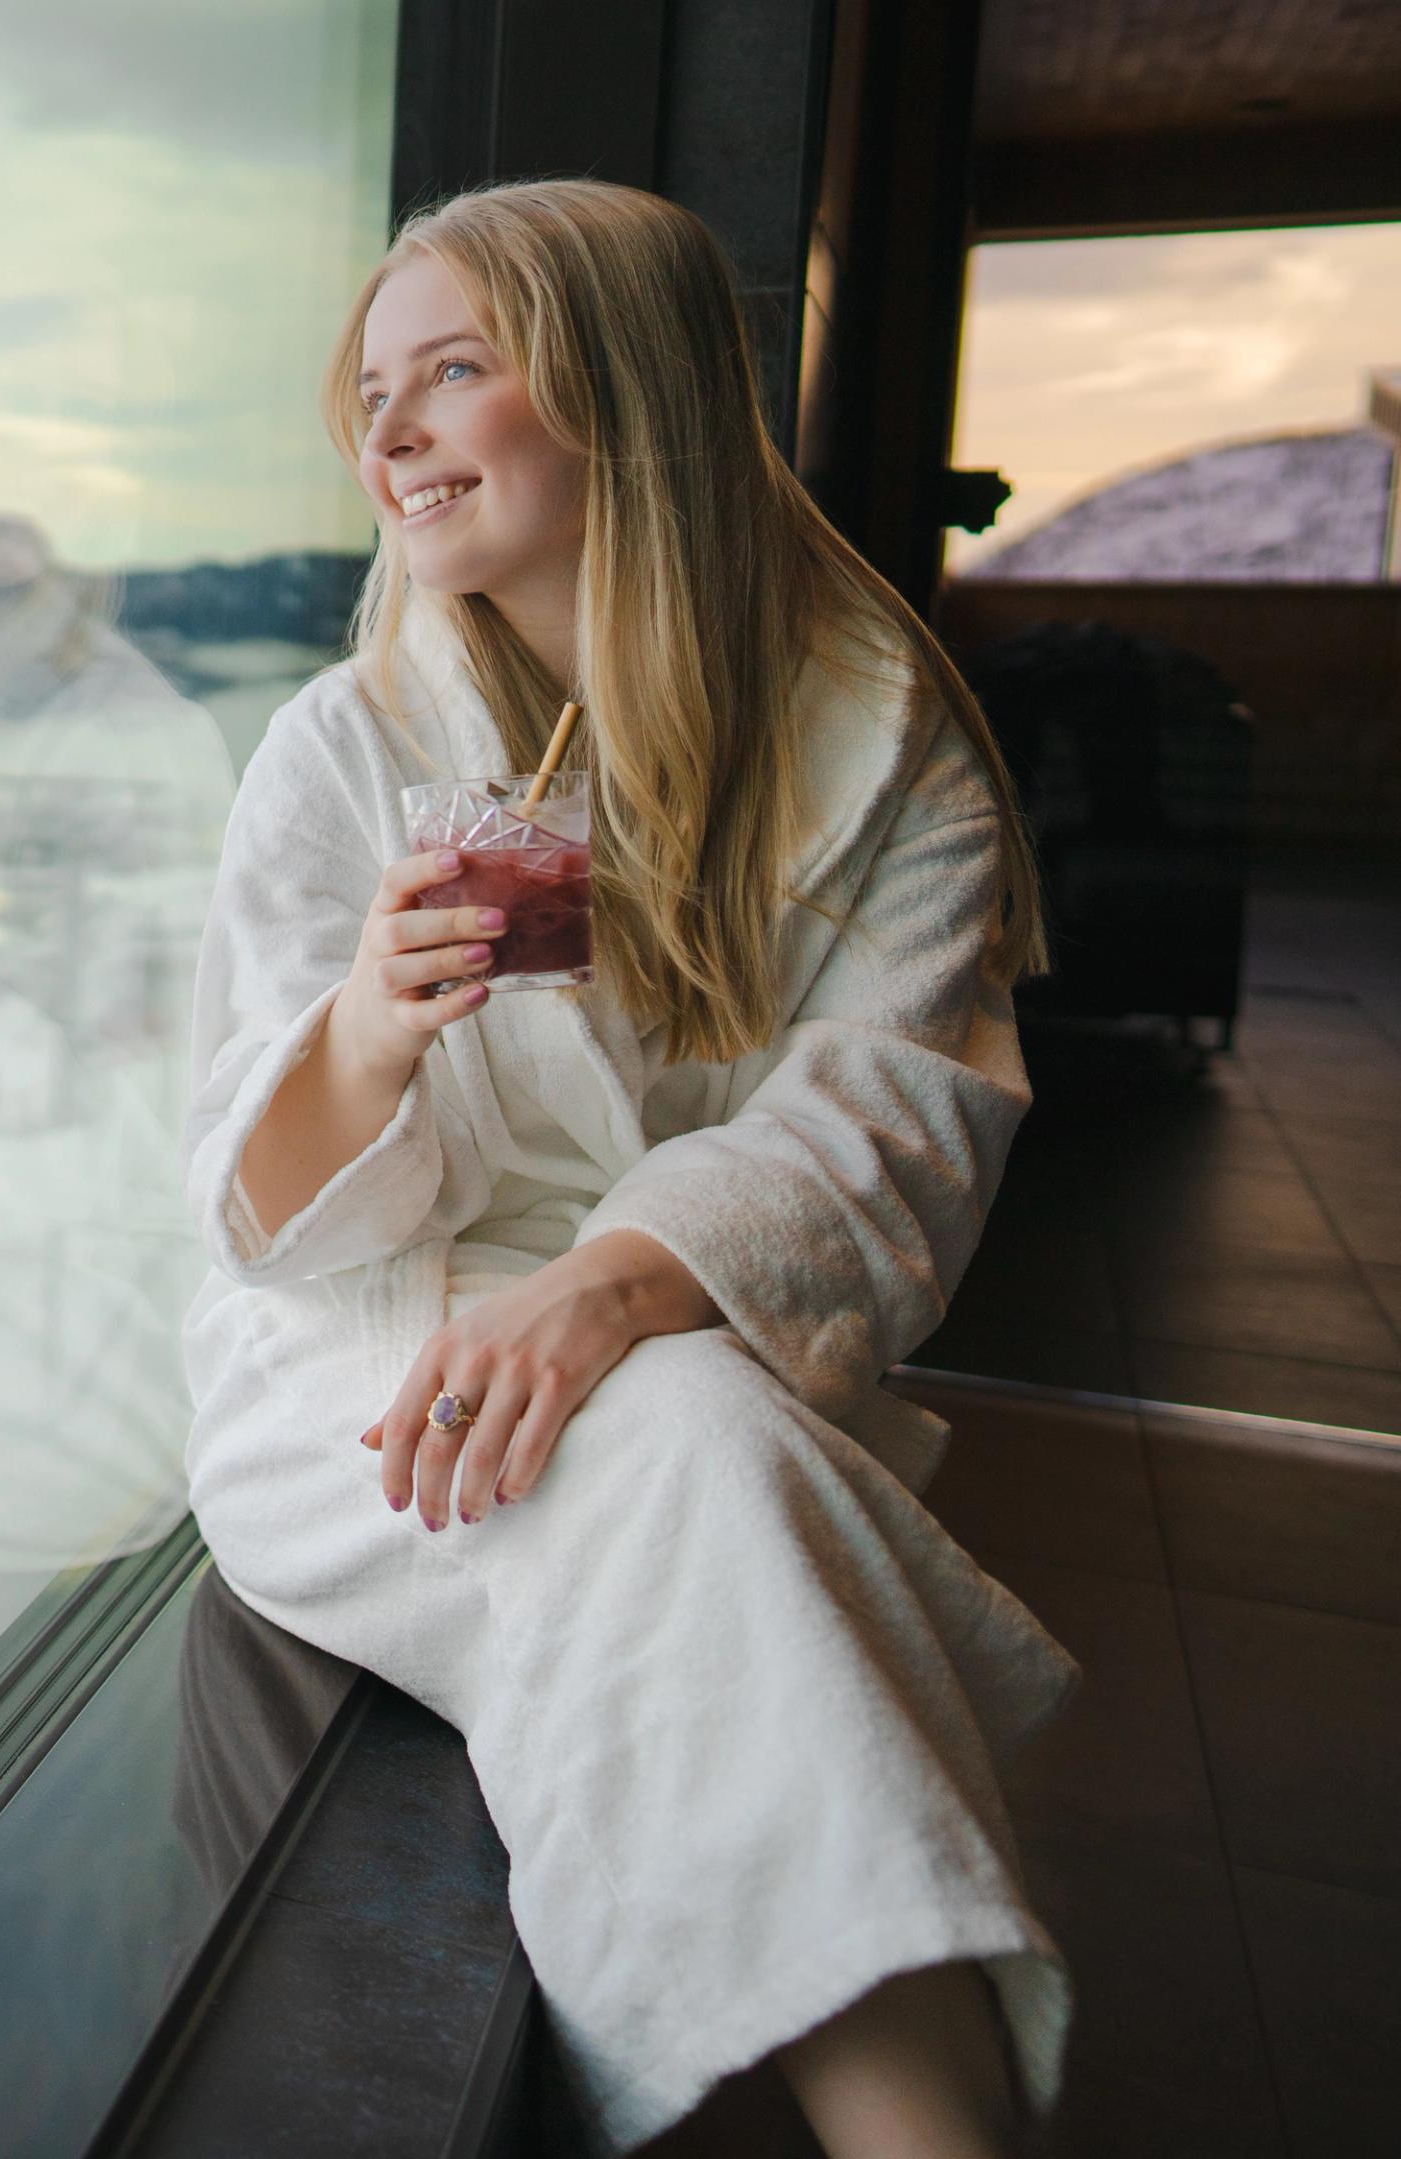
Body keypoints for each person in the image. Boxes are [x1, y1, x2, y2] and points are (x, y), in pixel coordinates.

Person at [182, 179, 1073, 2159]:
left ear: (628, 394)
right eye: (371, 390)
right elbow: (248, 1210)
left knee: (677, 1422)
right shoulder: (347, 748)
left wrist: (620, 1274)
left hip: (667, 1307)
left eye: (456, 373)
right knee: (697, 1450)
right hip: (366, 1360)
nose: (389, 431)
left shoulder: (882, 734)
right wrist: (368, 1035)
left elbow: (901, 1101)